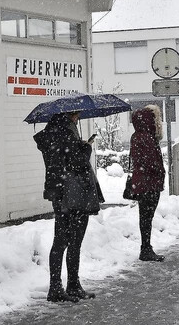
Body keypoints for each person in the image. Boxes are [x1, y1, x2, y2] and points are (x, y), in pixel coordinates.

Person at [34, 111, 104, 303]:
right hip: (75, 193)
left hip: (60, 192)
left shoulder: (51, 132)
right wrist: (86, 148)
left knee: (61, 240)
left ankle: (57, 286)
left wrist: (77, 147)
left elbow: (61, 161)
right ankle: (71, 285)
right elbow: (77, 162)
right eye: (77, 114)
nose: (79, 117)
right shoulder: (66, 132)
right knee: (74, 240)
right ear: (70, 115)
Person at [130, 105, 166, 262]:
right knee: (147, 217)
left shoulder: (137, 135)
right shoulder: (146, 137)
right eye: (156, 119)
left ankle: (146, 247)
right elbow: (151, 162)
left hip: (143, 182)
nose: (157, 122)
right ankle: (145, 249)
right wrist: (159, 172)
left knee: (145, 217)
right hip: (149, 183)